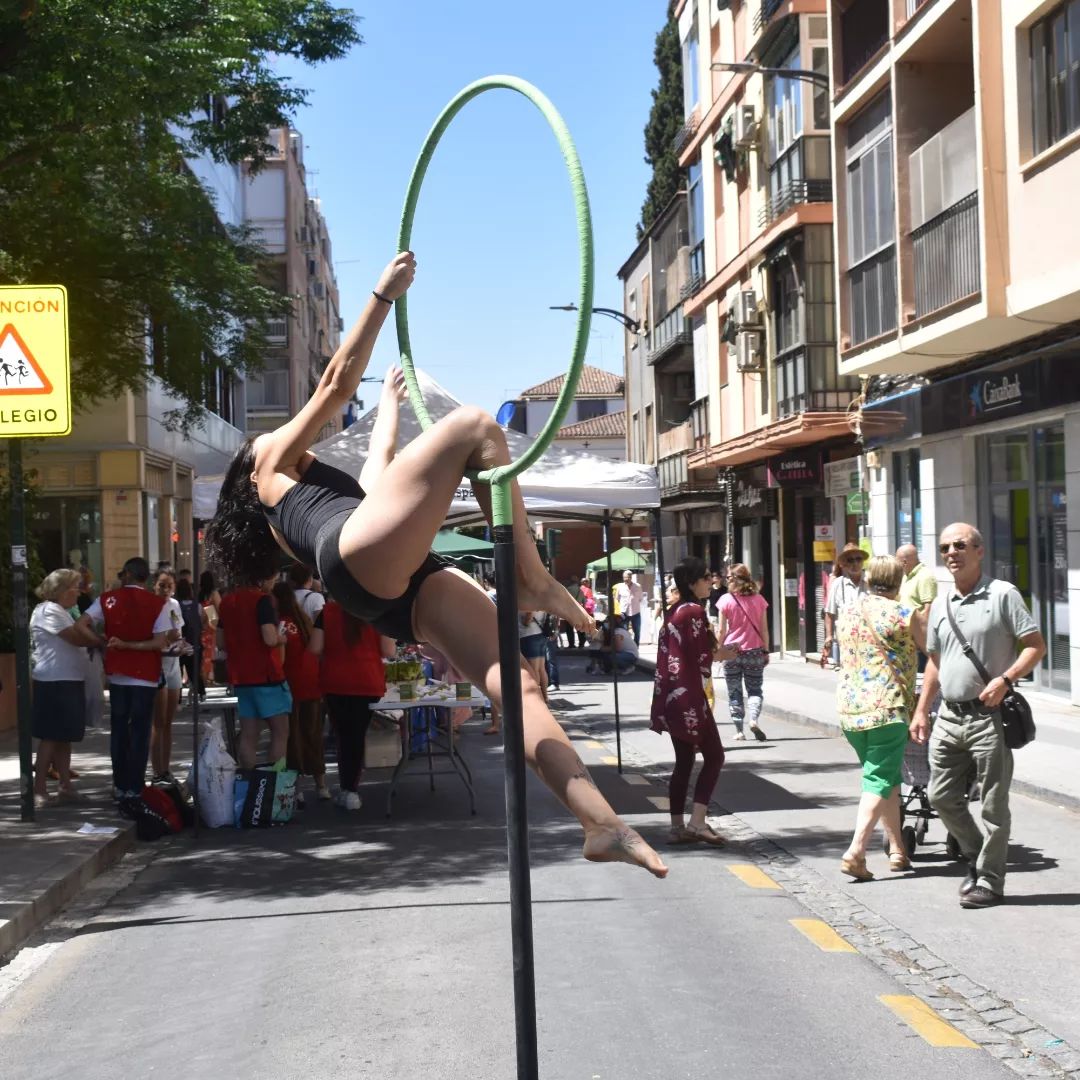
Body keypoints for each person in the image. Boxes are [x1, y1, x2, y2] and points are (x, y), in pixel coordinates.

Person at [204, 251, 666, 878]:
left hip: (389, 588)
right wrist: (382, 296)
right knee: (476, 426)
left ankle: (600, 822)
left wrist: (392, 398)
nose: (286, 436)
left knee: (520, 687)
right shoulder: (265, 469)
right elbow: (334, 386)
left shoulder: (313, 496)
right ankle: (529, 576)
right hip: (352, 552)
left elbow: (382, 460)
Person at [910, 523, 1045, 908]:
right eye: (944, 548)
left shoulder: (1003, 594)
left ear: (979, 551)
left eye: (960, 545)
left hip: (989, 716)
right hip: (949, 717)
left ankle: (989, 881)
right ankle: (978, 856)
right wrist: (922, 709)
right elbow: (936, 661)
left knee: (992, 804)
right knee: (940, 796)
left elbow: (1035, 646)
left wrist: (1005, 679)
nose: (951, 552)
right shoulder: (940, 603)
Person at [835, 555, 924, 881]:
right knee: (878, 780)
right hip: (888, 708)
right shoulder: (903, 613)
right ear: (900, 582)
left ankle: (898, 850)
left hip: (850, 709)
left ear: (869, 579)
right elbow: (931, 650)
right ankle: (856, 851)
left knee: (885, 778)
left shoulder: (848, 612)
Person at [650, 556, 737, 846]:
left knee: (684, 762)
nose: (711, 582)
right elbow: (702, 657)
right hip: (689, 698)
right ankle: (698, 822)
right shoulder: (695, 612)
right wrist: (723, 654)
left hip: (672, 695)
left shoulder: (674, 610)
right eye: (705, 577)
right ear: (692, 582)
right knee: (714, 756)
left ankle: (677, 827)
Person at [78, 557, 178, 799]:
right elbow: (159, 641)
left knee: (120, 729)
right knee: (141, 731)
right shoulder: (158, 604)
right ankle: (135, 785)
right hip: (145, 676)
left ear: (128, 575)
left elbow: (81, 624)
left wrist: (103, 643)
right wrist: (132, 645)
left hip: (118, 674)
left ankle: (120, 784)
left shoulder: (108, 599)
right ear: (146, 578)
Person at [309, 598, 395, 810]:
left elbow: (315, 647)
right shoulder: (377, 609)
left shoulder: (326, 612)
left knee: (343, 737)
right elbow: (388, 650)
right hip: (367, 681)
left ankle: (347, 788)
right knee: (356, 736)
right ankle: (350, 789)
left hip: (335, 681)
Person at [31, 569, 105, 807]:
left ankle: (65, 785)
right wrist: (101, 640)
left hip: (69, 679)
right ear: (61, 590)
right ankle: (39, 788)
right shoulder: (48, 611)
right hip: (54, 680)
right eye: (76, 586)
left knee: (64, 736)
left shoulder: (61, 611)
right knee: (51, 735)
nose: (80, 591)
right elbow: (76, 637)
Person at [217, 576, 291, 770]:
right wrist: (281, 638)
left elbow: (220, 642)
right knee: (280, 731)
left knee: (249, 734)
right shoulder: (261, 600)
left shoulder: (226, 602)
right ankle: (274, 784)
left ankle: (249, 783)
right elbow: (269, 638)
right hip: (266, 675)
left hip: (241, 676)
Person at [272, 579, 330, 803]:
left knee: (291, 738)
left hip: (290, 686)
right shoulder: (305, 620)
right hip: (313, 684)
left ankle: (295, 789)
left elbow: (281, 658)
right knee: (313, 734)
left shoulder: (282, 625)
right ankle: (321, 784)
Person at [716, 563, 770, 742]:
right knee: (754, 690)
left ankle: (739, 730)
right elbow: (764, 629)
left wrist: (718, 650)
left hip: (731, 651)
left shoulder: (725, 600)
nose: (727, 580)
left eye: (729, 577)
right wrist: (766, 650)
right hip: (754, 650)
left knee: (734, 692)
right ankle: (753, 720)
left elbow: (722, 630)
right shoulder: (759, 600)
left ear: (736, 579)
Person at [150, 570, 185, 783]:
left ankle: (166, 768)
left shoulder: (174, 605)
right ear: (154, 585)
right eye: (161, 585)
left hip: (173, 664)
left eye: (169, 585)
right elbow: (150, 637)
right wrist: (166, 639)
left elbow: (177, 632)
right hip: (157, 666)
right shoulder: (149, 606)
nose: (165, 590)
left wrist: (180, 644)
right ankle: (156, 770)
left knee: (169, 721)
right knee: (158, 722)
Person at [822, 543, 868, 668]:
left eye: (858, 559)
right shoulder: (837, 584)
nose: (855, 563)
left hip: (868, 641)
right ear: (844, 564)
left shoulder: (871, 582)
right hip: (846, 642)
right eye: (850, 560)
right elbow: (830, 612)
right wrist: (829, 636)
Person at [896, 544, 937, 672]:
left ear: (904, 562)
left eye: (896, 560)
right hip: (906, 639)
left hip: (918, 642)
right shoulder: (905, 576)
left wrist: (920, 638)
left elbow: (928, 610)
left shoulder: (925, 576)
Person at [175, 576, 208, 702]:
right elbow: (205, 621)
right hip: (195, 643)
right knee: (194, 671)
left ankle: (177, 698)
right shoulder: (197, 606)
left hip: (179, 644)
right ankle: (201, 693)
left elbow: (175, 623)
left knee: (177, 672)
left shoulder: (175, 606)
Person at [198, 570, 223, 685]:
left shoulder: (199, 594)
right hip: (211, 626)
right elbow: (220, 610)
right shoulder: (214, 593)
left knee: (203, 653)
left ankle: (204, 675)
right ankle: (209, 676)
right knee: (210, 651)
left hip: (201, 627)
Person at [518, 610, 549, 702]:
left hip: (529, 634)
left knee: (533, 669)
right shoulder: (542, 599)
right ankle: (545, 696)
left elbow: (529, 613)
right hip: (541, 634)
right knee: (541, 668)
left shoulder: (530, 599)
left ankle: (537, 698)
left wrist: (525, 623)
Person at [615, 570, 645, 645]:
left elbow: (641, 598)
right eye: (624, 577)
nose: (625, 579)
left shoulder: (638, 586)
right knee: (624, 631)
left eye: (627, 578)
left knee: (637, 631)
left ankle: (636, 646)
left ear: (631, 577)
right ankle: (625, 645)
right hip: (624, 613)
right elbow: (617, 599)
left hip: (635, 612)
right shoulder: (620, 587)